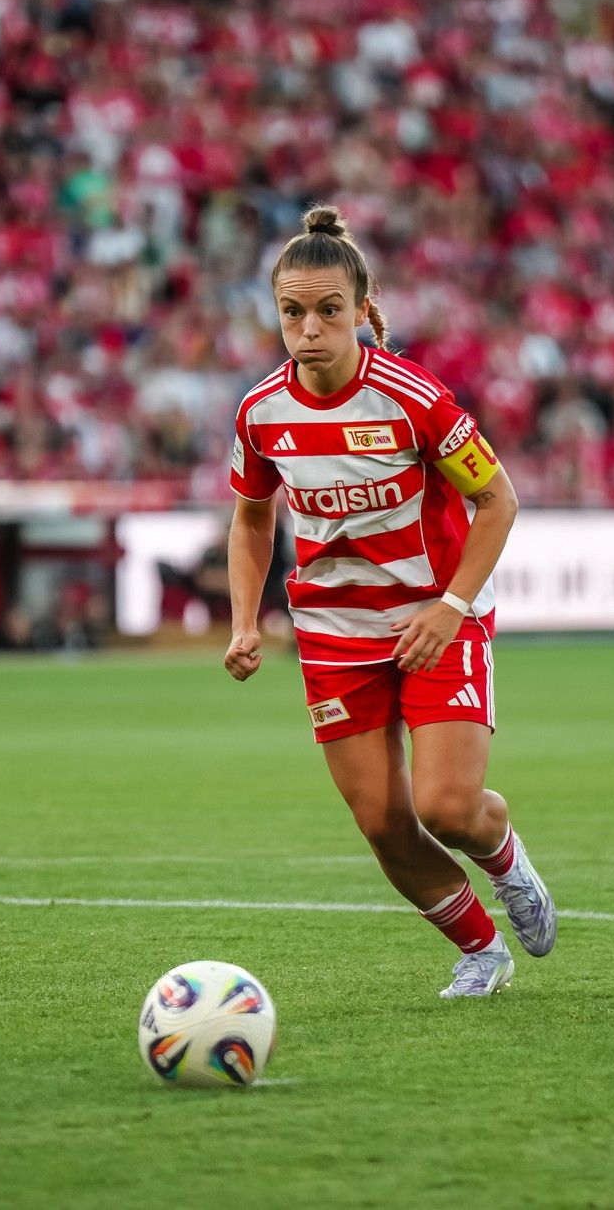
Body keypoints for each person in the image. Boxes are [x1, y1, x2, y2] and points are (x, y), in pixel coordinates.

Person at [222, 206, 556, 999]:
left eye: (328, 310)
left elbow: (499, 501)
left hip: (433, 619)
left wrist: (451, 605)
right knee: (382, 822)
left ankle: (504, 855)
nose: (309, 329)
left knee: (446, 807)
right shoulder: (260, 412)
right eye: (292, 312)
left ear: (363, 312)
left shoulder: (414, 397)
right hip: (334, 635)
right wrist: (243, 621)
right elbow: (251, 515)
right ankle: (480, 950)